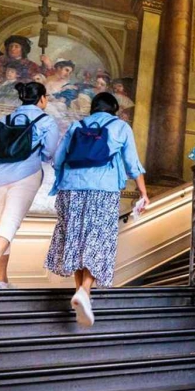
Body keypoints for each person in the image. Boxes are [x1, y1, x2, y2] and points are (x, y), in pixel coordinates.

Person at [46, 91, 149, 325]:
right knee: (98, 239)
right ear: (114, 109)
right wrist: (143, 193)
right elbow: (132, 164)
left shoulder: (77, 126)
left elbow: (59, 159)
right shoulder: (120, 127)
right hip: (103, 189)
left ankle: (81, 294)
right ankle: (84, 291)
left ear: (93, 108)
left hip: (71, 189)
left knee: (75, 239)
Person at [0, 81, 61, 290]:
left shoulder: (3, 120)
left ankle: (2, 280)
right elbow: (49, 153)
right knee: (10, 224)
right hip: (25, 175)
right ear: (42, 98)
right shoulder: (46, 121)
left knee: (2, 226)